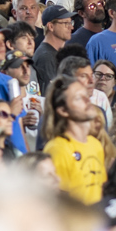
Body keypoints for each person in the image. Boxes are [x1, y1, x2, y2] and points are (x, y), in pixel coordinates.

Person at [42, 75, 107, 203]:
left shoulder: (95, 144)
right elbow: (57, 201)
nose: (87, 100)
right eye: (78, 98)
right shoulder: (58, 149)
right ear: (63, 110)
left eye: (85, 95)